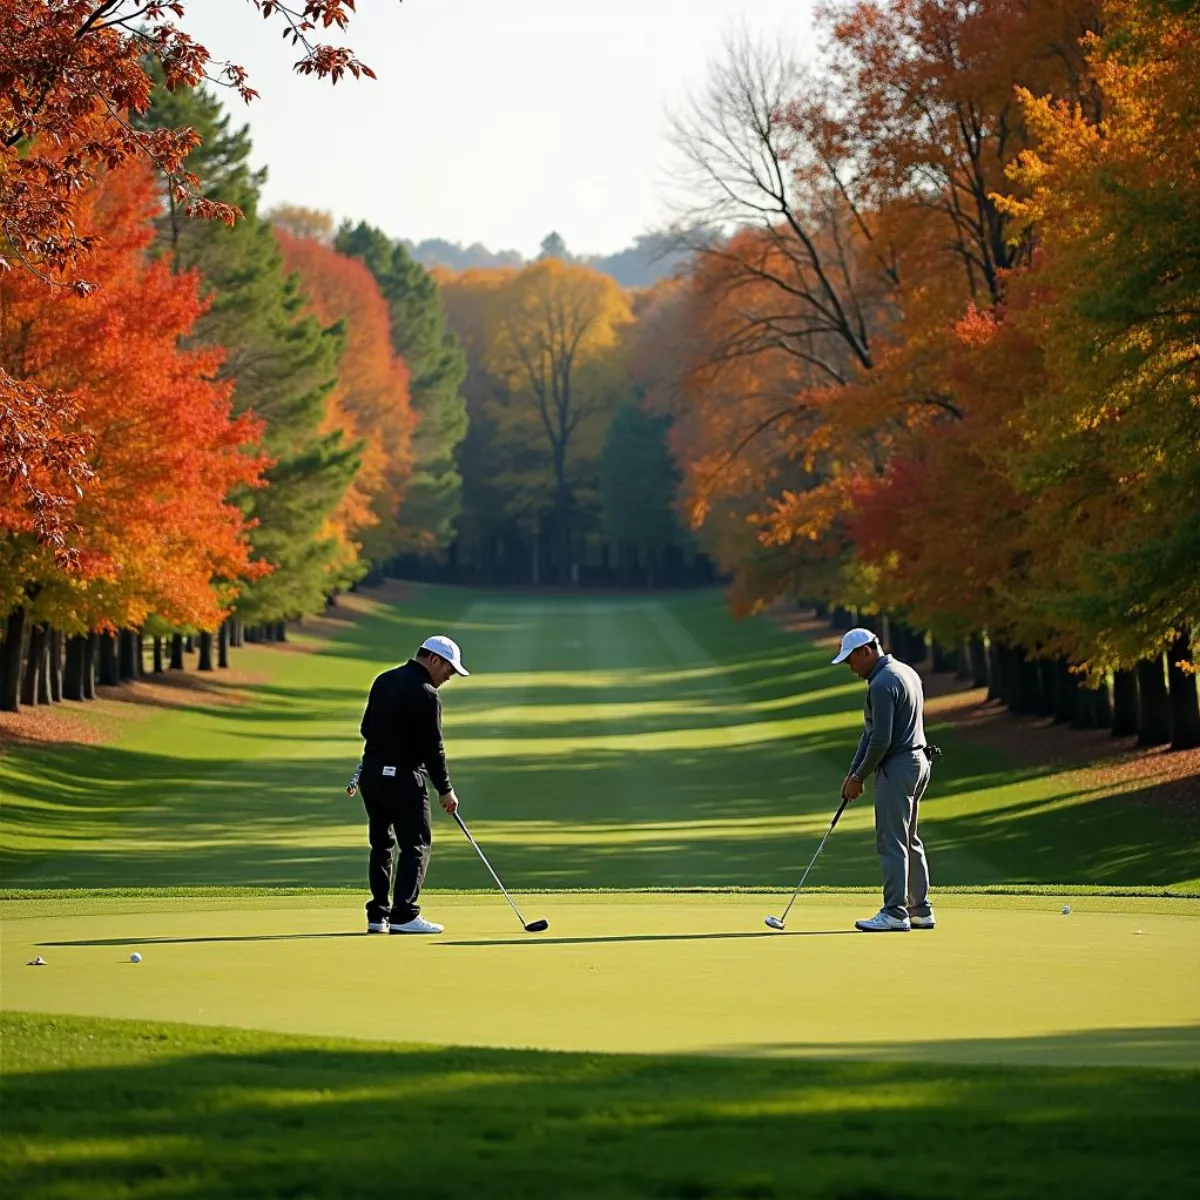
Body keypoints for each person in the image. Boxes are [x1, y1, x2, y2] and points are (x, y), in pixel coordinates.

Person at [357, 635, 469, 934]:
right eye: (449, 669)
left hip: (371, 775)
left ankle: (378, 915)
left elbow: (366, 728)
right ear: (434, 659)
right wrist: (445, 790)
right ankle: (404, 915)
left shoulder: (383, 680)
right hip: (405, 778)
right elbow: (434, 748)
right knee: (416, 844)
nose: (449, 676)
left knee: (381, 843)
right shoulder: (426, 693)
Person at [833, 627, 935, 933]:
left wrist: (859, 777)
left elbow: (880, 740)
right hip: (920, 762)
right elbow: (871, 733)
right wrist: (853, 772)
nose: (851, 668)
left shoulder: (881, 684)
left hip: (898, 766)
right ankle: (920, 910)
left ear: (866, 651)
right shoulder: (906, 672)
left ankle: (894, 912)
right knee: (908, 838)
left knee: (890, 841)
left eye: (851, 660)